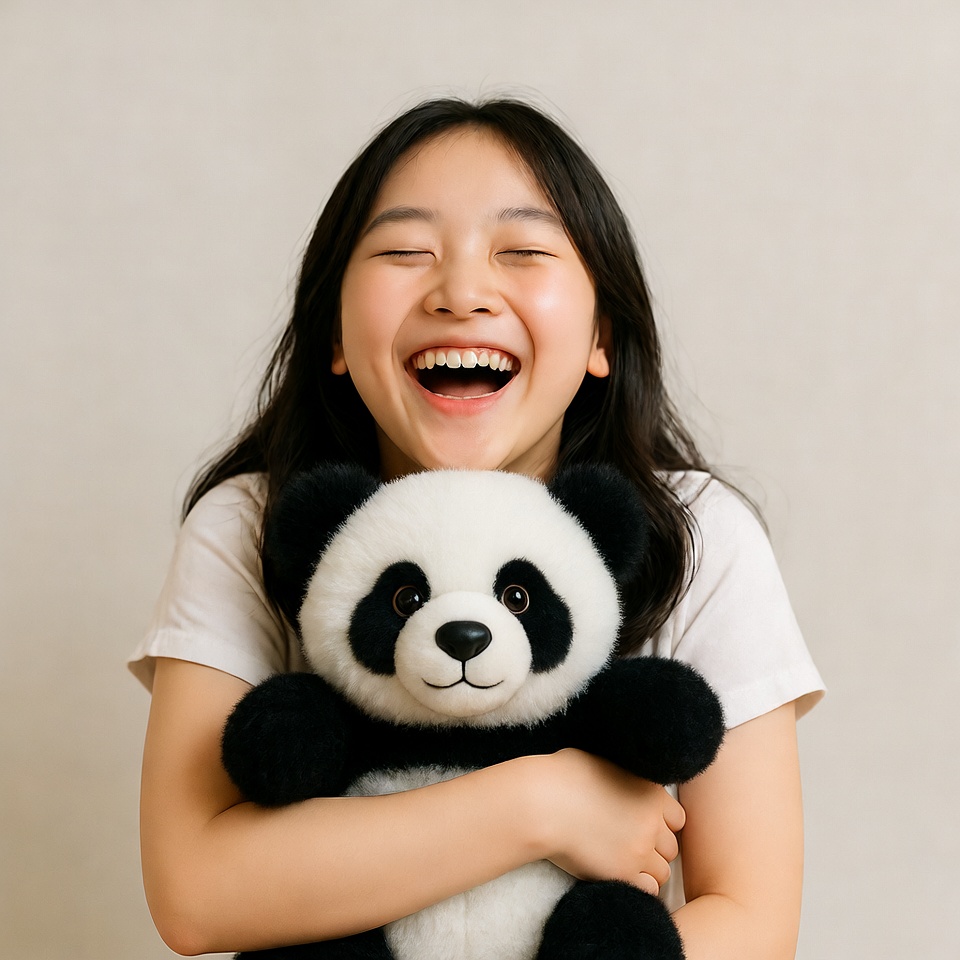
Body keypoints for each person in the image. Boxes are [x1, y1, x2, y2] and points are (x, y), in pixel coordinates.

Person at [130, 97, 824, 959]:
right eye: (404, 252)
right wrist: (541, 805)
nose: (461, 292)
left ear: (603, 331)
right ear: (336, 336)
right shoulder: (250, 525)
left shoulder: (696, 534)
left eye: (524, 252)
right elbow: (198, 894)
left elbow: (751, 922)